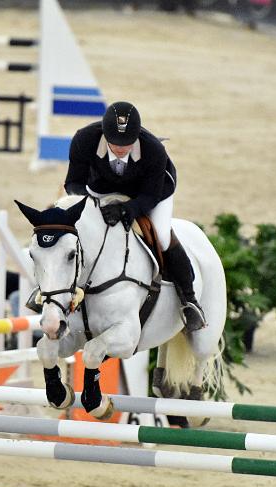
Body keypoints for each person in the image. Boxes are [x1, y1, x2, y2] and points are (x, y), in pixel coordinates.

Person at [62, 101, 206, 331]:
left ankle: (190, 301)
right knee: (69, 228)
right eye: (115, 143)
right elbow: (73, 183)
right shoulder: (84, 139)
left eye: (127, 143)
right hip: (101, 190)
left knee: (162, 236)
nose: (121, 148)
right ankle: (50, 292)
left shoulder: (153, 149)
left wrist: (127, 209)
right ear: (104, 133)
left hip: (151, 193)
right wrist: (90, 207)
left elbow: (150, 195)